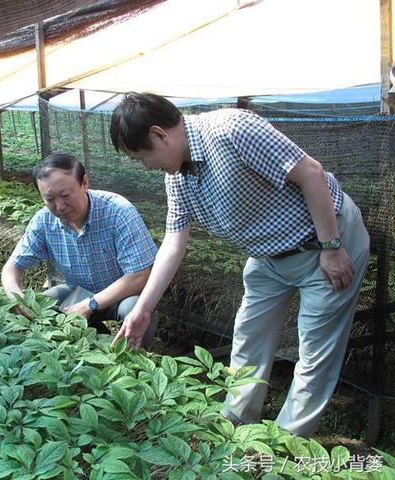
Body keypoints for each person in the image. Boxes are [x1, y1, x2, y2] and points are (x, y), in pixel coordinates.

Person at [109, 92, 370, 437]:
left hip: (325, 240)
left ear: (159, 135)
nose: (146, 166)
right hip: (269, 256)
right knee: (248, 338)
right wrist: (142, 309)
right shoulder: (177, 177)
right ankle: (235, 426)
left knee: (314, 354)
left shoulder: (232, 129)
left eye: (143, 157)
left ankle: (285, 445)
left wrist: (332, 247)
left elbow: (310, 173)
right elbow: (174, 242)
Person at [1, 152, 159, 345]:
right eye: (49, 199)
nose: (59, 206)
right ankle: (83, 343)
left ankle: (134, 360)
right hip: (78, 291)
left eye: (66, 195)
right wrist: (17, 297)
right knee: (38, 306)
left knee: (133, 309)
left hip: (122, 294)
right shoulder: (43, 220)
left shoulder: (118, 211)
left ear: (84, 183)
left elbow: (139, 276)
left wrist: (91, 304)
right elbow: (12, 267)